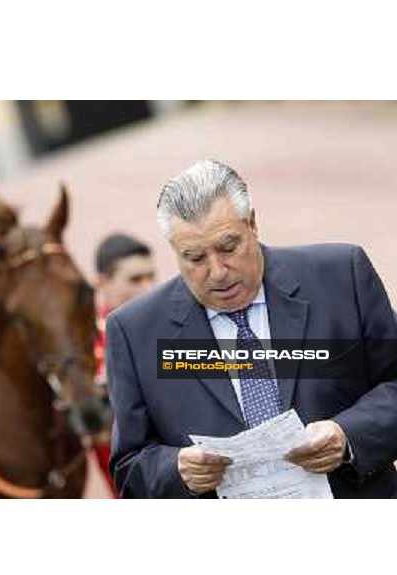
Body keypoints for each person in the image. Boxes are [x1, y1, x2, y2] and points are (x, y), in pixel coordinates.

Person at [106, 159, 397, 499]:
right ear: (174, 251)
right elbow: (128, 467)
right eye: (194, 258)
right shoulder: (133, 332)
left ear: (253, 224)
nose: (217, 272)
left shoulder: (341, 277)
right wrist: (177, 470)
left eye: (228, 247)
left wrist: (348, 435)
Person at [92, 233, 156, 496]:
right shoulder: (83, 347)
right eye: (135, 279)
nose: (149, 288)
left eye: (151, 276)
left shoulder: (170, 328)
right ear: (102, 282)